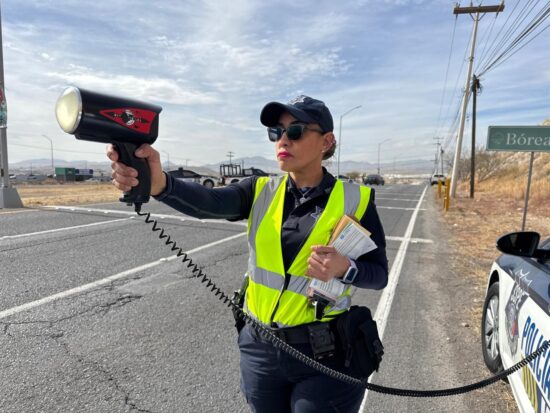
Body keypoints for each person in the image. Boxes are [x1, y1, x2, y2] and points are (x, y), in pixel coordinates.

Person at [108, 95, 388, 413]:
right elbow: (209, 202)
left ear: (326, 142)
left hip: (326, 353)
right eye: (276, 132)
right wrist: (158, 182)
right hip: (262, 348)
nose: (283, 139)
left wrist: (345, 268)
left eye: (295, 130)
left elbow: (379, 274)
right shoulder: (259, 190)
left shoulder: (356, 199)